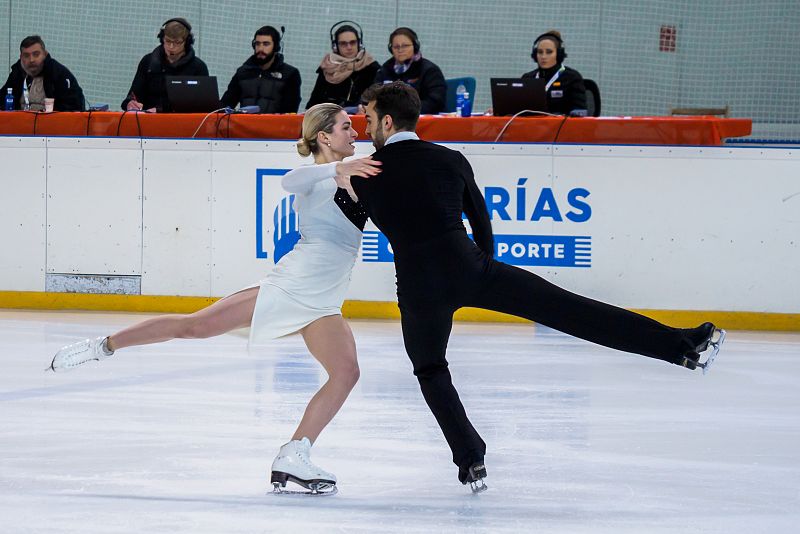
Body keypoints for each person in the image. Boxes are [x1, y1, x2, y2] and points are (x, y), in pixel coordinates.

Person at [348, 81, 725, 492]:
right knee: (571, 311)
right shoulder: (449, 160)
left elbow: (346, 221)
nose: (365, 129)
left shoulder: (365, 175)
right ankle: (682, 347)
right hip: (471, 269)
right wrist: (483, 269)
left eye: (367, 119)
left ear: (387, 120)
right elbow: (481, 221)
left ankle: (470, 458)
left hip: (419, 289)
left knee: (430, 369)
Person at [47, 103, 382, 495]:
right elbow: (291, 180)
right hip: (292, 285)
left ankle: (294, 453)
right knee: (195, 326)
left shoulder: (360, 172)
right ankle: (103, 346)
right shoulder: (313, 176)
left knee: (346, 373)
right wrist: (335, 169)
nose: (354, 133)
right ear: (324, 136)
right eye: (346, 127)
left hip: (325, 299)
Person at [121, 18, 209, 112]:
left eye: (177, 42)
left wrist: (161, 110)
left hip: (181, 122)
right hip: (148, 121)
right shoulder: (148, 61)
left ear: (187, 42)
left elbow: (203, 106)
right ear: (162, 39)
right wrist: (130, 103)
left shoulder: (198, 67)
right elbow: (134, 94)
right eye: (167, 41)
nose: (171, 46)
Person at [220, 26, 301, 114]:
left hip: (275, 126)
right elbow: (225, 104)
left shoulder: (290, 74)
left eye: (266, 44)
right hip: (243, 125)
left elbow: (290, 111)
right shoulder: (243, 72)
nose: (260, 49)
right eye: (258, 44)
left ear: (276, 47)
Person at [306, 21, 379, 113]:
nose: (349, 47)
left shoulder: (372, 68)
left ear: (359, 44)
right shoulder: (327, 68)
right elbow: (314, 103)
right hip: (329, 122)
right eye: (343, 43)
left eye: (352, 42)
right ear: (335, 46)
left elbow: (376, 101)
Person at [1, 35, 85, 111]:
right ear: (21, 57)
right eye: (26, 55)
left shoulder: (58, 73)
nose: (31, 60)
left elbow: (74, 107)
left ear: (45, 54)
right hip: (19, 124)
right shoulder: (17, 73)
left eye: (36, 54)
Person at [373, 27, 446, 115]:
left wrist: (405, 109)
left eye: (405, 46)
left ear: (415, 46)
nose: (400, 50)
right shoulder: (385, 70)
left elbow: (436, 102)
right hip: (389, 120)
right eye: (396, 47)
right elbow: (373, 95)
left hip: (418, 119)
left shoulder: (430, 70)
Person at [522, 30, 587, 115]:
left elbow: (580, 111)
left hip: (562, 127)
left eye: (549, 52)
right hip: (532, 126)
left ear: (559, 54)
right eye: (540, 52)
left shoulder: (572, 78)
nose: (543, 56)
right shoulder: (528, 78)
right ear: (535, 55)